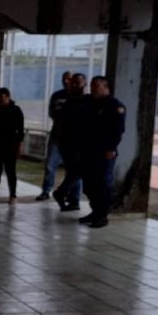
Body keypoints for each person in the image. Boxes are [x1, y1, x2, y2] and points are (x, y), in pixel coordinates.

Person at [79, 76, 126, 228]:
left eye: (97, 87)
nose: (93, 90)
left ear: (106, 88)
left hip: (105, 152)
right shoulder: (90, 103)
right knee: (89, 184)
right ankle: (95, 211)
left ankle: (102, 216)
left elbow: (118, 130)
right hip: (89, 150)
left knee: (103, 184)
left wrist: (111, 148)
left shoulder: (114, 105)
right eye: (92, 86)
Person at [52, 73, 88, 212]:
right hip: (70, 143)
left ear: (84, 83)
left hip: (80, 143)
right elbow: (60, 122)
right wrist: (61, 141)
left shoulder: (87, 100)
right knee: (77, 171)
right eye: (73, 83)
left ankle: (72, 199)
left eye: (77, 83)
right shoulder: (70, 102)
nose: (74, 85)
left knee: (75, 172)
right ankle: (64, 194)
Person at [0, 88, 25, 204]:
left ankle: (13, 195)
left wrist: (19, 144)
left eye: (1, 98)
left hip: (10, 145)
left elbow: (20, 129)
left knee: (10, 171)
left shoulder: (16, 110)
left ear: (8, 96)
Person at [37, 71, 72, 200]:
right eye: (64, 78)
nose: (66, 81)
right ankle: (46, 190)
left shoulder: (78, 97)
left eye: (69, 78)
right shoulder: (56, 96)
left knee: (72, 168)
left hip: (72, 139)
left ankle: (70, 193)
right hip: (56, 136)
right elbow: (52, 112)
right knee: (50, 165)